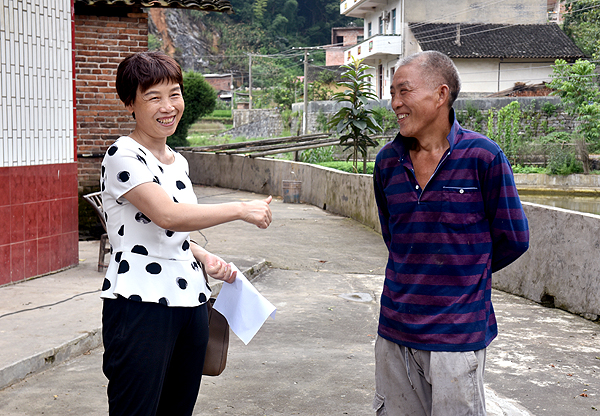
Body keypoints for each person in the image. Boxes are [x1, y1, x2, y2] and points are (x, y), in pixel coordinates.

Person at [100, 51, 273, 416]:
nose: (168, 106)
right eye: (153, 97)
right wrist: (241, 209)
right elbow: (167, 215)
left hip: (191, 302)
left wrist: (203, 255)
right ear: (130, 103)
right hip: (141, 303)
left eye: (174, 94)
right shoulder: (122, 154)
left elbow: (164, 233)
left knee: (177, 409)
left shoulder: (178, 161)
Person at [372, 51, 529, 416]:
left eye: (404, 91)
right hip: (394, 332)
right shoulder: (387, 162)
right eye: (392, 93)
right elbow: (395, 237)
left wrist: (465, 272)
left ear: (441, 94)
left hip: (457, 337)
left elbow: (514, 238)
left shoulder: (483, 158)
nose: (395, 103)